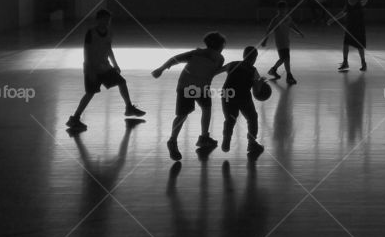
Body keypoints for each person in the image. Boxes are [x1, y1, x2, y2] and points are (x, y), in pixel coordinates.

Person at [152, 32, 226, 161]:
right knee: (205, 110)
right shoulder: (219, 58)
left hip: (187, 85)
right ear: (219, 46)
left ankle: (175, 140)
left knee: (184, 115)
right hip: (200, 86)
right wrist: (227, 68)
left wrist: (161, 69)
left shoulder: (196, 53)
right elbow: (213, 72)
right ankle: (201, 138)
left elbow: (175, 59)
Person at [67, 9, 145, 132]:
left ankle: (129, 107)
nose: (107, 22)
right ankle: (75, 118)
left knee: (122, 82)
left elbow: (109, 49)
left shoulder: (109, 32)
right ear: (98, 20)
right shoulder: (91, 33)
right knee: (90, 93)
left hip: (105, 67)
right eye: (104, 19)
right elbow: (86, 52)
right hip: (92, 68)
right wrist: (90, 70)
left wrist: (115, 65)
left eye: (108, 20)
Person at [220, 46, 265, 158]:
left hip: (227, 93)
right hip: (243, 96)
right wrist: (260, 83)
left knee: (230, 118)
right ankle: (252, 144)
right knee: (252, 117)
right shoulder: (253, 71)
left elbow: (217, 71)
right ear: (255, 58)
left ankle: (226, 139)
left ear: (243, 55)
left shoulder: (232, 64)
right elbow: (256, 92)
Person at [260, 0, 304, 85]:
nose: (282, 11)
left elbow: (292, 25)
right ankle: (289, 76)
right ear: (278, 10)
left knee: (283, 58)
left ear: (286, 9)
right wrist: (265, 40)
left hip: (286, 42)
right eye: (281, 9)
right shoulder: (275, 20)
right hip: (280, 42)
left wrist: (299, 32)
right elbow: (269, 30)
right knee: (286, 57)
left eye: (284, 9)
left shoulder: (288, 18)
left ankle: (273, 70)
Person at [329, 0, 369, 71]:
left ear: (356, 0)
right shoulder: (347, 6)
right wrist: (333, 19)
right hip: (349, 28)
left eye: (353, 0)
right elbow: (342, 13)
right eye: (349, 0)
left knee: (359, 47)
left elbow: (364, 1)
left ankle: (363, 63)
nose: (351, 1)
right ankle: (345, 62)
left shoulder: (359, 4)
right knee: (345, 44)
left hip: (359, 30)